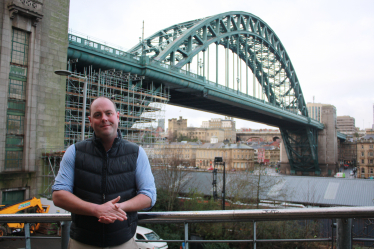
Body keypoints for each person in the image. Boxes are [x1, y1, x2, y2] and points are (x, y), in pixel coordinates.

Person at [52, 96, 156, 249]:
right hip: (82, 242)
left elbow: (149, 196)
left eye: (109, 113)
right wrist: (97, 210)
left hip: (123, 242)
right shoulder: (74, 152)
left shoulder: (137, 153)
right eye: (98, 115)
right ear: (90, 120)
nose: (104, 118)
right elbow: (58, 195)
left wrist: (117, 208)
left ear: (117, 117)